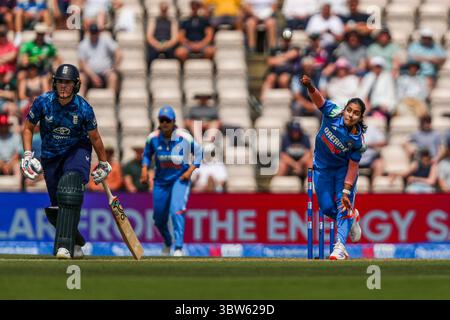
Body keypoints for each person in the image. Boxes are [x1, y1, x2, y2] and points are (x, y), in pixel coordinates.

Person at [21, 64, 112, 259]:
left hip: (76, 151)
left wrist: (104, 163)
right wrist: (28, 154)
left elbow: (95, 138)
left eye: (68, 83)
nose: (63, 86)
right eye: (60, 82)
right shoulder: (43, 102)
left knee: (70, 187)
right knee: (58, 209)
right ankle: (76, 239)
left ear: (75, 85)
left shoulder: (83, 108)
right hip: (50, 156)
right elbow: (28, 128)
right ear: (54, 83)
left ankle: (64, 247)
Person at [300, 74, 366, 260]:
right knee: (327, 208)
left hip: (342, 172)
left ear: (360, 117)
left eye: (356, 113)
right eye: (349, 111)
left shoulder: (358, 141)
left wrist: (346, 192)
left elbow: (353, 166)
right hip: (321, 168)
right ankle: (352, 218)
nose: (351, 115)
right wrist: (310, 86)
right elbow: (319, 100)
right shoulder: (333, 112)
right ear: (344, 109)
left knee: (342, 206)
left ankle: (340, 248)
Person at [140, 106, 202, 257]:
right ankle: (168, 242)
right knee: (158, 218)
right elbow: (147, 155)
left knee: (176, 211)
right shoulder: (153, 138)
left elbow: (199, 152)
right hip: (161, 182)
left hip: (179, 179)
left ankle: (179, 247)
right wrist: (144, 170)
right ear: (159, 122)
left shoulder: (184, 137)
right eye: (162, 120)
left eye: (168, 120)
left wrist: (189, 171)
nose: (165, 123)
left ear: (174, 121)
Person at [78, 23, 122, 97]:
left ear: (99, 32)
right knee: (81, 78)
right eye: (92, 32)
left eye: (96, 32)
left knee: (113, 77)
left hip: (106, 72)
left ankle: (110, 102)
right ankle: (81, 103)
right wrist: (93, 76)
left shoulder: (106, 40)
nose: (94, 34)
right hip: (90, 74)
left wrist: (113, 68)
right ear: (89, 33)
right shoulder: (83, 44)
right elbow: (82, 64)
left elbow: (118, 52)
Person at [261, 28, 300, 96]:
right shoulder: (275, 49)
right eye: (285, 39)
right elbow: (270, 62)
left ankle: (287, 102)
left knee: (283, 79)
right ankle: (263, 102)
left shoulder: (295, 48)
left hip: (288, 72)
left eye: (288, 40)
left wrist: (278, 59)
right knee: (270, 78)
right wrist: (286, 57)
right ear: (281, 39)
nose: (286, 41)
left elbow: (294, 54)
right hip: (275, 72)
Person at [146, 1, 178, 68]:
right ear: (160, 9)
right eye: (162, 9)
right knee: (150, 55)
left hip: (168, 44)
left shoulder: (172, 21)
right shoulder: (154, 21)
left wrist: (167, 45)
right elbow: (149, 36)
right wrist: (157, 44)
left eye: (165, 9)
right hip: (156, 44)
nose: (164, 10)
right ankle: (149, 71)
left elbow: (174, 38)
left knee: (173, 54)